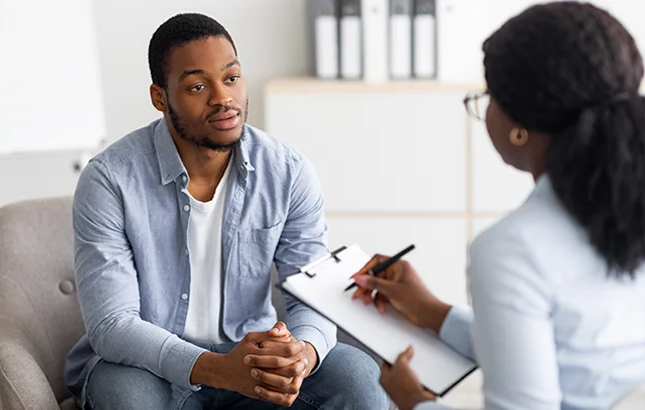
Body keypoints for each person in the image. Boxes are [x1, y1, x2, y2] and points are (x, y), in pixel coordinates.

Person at [63, 12, 388, 410]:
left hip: (252, 358)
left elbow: (314, 296)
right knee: (125, 397)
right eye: (198, 86)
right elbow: (113, 325)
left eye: (231, 78)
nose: (223, 98)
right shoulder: (109, 180)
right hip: (150, 366)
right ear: (160, 98)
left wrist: (302, 354)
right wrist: (217, 368)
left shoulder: (288, 172)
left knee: (358, 379)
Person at [351, 2, 645, 410]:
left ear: (519, 127)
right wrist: (431, 311)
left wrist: (413, 401)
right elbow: (568, 357)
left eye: (488, 95)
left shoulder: (513, 249)